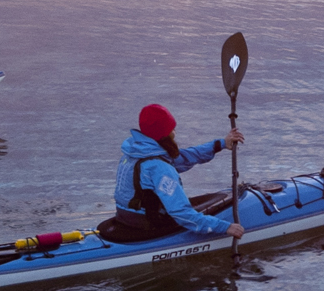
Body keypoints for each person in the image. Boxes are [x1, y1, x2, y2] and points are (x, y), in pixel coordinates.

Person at [105, 102, 245, 242]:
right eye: (172, 129)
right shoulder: (159, 168)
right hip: (147, 224)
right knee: (186, 210)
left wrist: (219, 144)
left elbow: (185, 157)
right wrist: (225, 227)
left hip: (125, 217)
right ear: (164, 135)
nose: (175, 132)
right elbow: (181, 213)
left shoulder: (134, 153)